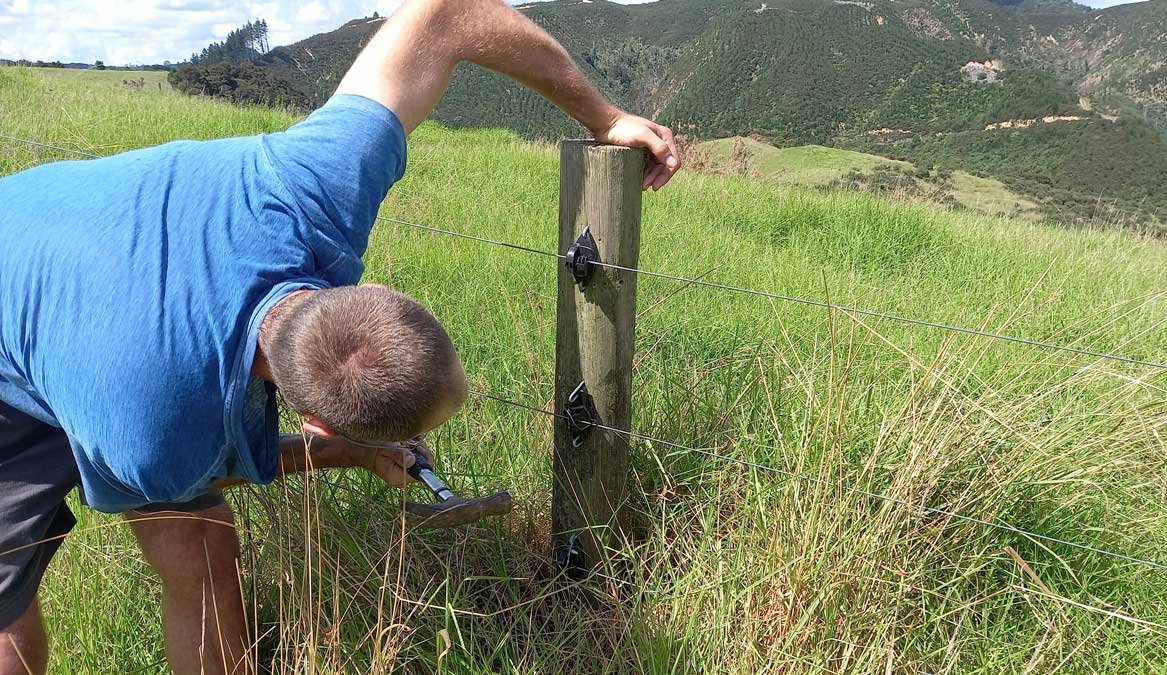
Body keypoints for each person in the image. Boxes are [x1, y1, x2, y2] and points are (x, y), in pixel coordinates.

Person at [0, 1, 681, 673]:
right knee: (8, 596)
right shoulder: (150, 428)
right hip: (24, 325)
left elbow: (444, 13)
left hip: (62, 248)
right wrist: (348, 453)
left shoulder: (315, 192)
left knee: (200, 545)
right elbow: (193, 469)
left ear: (375, 294)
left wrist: (609, 119)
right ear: (314, 417)